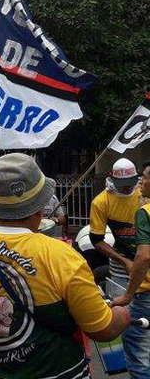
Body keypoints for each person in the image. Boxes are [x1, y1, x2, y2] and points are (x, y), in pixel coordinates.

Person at [0, 153, 131, 378]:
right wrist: (123, 313)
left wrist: (0, 214)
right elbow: (103, 330)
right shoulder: (62, 257)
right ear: (40, 207)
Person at [112, 161, 150, 377]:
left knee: (138, 354)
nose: (141, 182)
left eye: (144, 177)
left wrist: (128, 294)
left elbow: (143, 257)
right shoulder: (103, 202)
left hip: (146, 296)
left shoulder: (145, 212)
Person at [90, 158, 141, 293]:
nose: (127, 188)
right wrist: (124, 261)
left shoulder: (144, 192)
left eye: (130, 183)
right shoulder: (101, 202)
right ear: (112, 179)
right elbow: (96, 239)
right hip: (121, 268)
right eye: (122, 184)